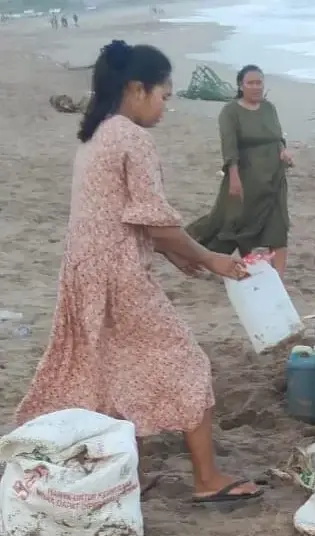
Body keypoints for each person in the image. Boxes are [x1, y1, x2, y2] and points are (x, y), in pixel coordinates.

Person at [15, 40, 264, 504]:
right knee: (187, 363)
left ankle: (116, 472)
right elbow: (155, 222)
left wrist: (177, 254)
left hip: (84, 271)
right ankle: (208, 480)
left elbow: (132, 216)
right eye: (163, 95)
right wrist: (211, 259)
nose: (165, 106)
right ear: (137, 88)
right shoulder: (132, 137)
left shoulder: (97, 134)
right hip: (117, 275)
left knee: (103, 370)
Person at [187, 65, 292, 277]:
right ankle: (194, 254)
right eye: (250, 83)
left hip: (274, 176)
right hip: (246, 176)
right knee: (232, 224)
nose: (256, 87)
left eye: (259, 82)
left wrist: (283, 153)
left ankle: (278, 277)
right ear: (240, 85)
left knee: (278, 224)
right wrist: (234, 177)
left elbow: (277, 137)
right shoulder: (231, 112)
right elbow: (229, 146)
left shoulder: (269, 108)